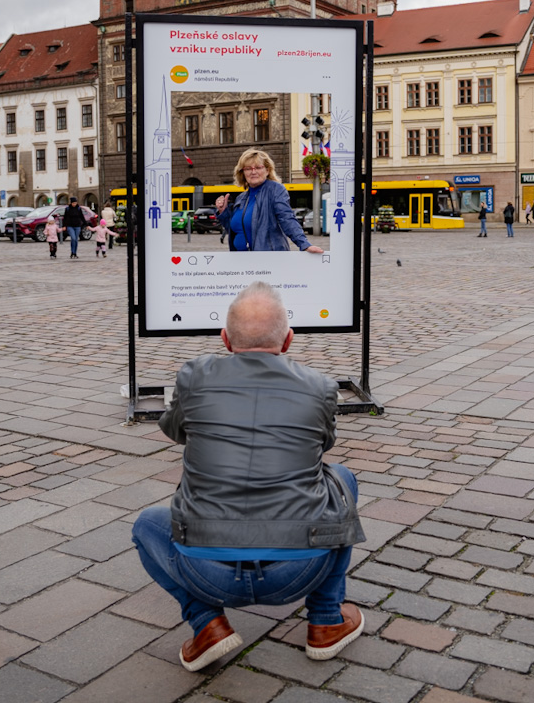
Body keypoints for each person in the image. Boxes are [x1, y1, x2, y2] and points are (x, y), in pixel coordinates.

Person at [131, 282, 365, 671]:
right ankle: (325, 621)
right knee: (342, 480)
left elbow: (173, 431)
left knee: (146, 525)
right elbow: (323, 444)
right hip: (301, 568)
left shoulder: (193, 376)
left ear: (225, 339)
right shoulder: (322, 386)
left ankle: (207, 624)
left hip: (205, 572)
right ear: (288, 340)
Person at [215, 149, 324, 254]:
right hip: (241, 261)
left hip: (268, 260)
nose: (253, 172)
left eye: (258, 167)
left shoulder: (276, 190)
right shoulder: (241, 197)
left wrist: (304, 244)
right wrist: (223, 212)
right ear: (242, 172)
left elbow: (287, 218)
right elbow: (235, 229)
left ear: (267, 170)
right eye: (248, 168)